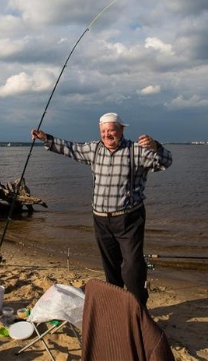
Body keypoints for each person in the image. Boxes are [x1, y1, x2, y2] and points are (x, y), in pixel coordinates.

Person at [31, 112, 172, 306]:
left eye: (111, 130)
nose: (107, 134)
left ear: (121, 130)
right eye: (103, 131)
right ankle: (115, 306)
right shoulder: (93, 149)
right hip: (101, 220)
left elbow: (166, 162)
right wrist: (46, 139)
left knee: (132, 266)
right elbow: (71, 148)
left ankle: (138, 307)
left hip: (129, 219)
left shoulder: (136, 150)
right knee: (111, 267)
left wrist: (156, 146)